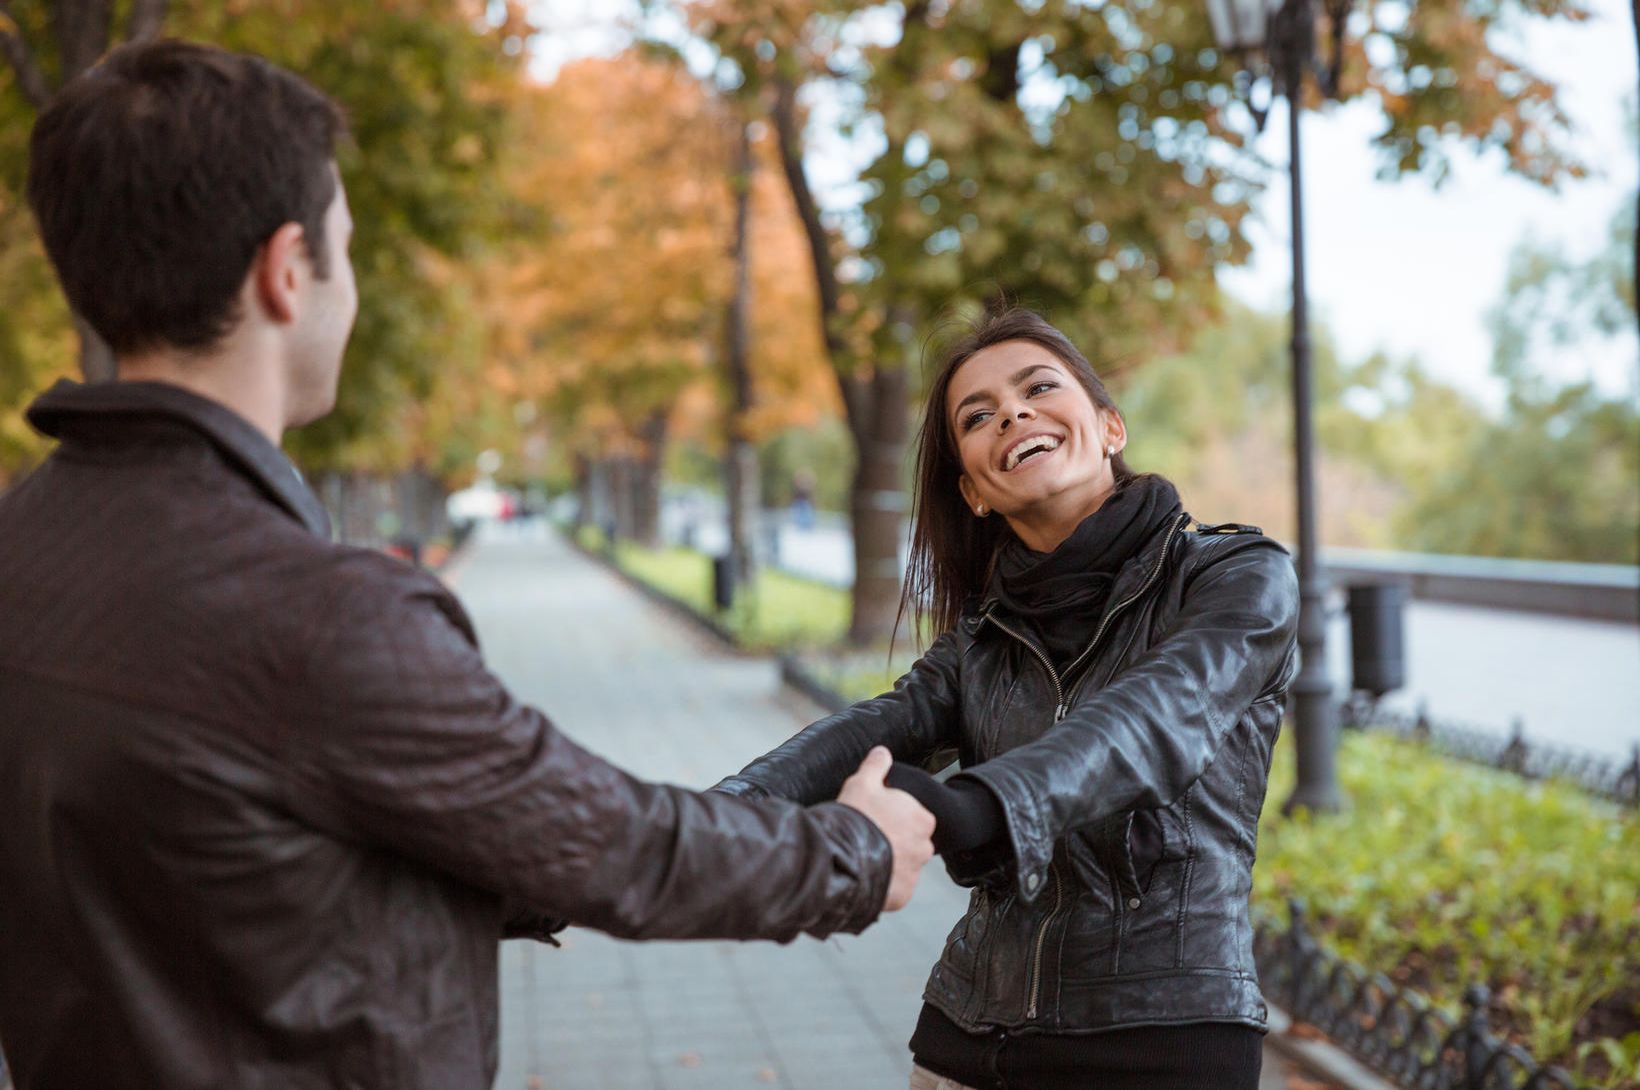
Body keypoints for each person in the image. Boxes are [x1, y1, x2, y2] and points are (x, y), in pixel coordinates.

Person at [0, 40, 934, 1090]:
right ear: (286, 271)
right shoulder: (326, 619)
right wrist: (856, 852)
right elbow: (618, 846)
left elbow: (238, 859)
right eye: (344, 253)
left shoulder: (21, 549)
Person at [714, 308, 1301, 1090]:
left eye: (1038, 389)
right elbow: (867, 734)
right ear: (975, 490)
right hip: (968, 1032)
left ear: (1110, 427)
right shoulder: (980, 641)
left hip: (1162, 1038)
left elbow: (1158, 721)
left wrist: (974, 807)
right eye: (978, 415)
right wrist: (692, 825)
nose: (1013, 414)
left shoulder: (1235, 576)